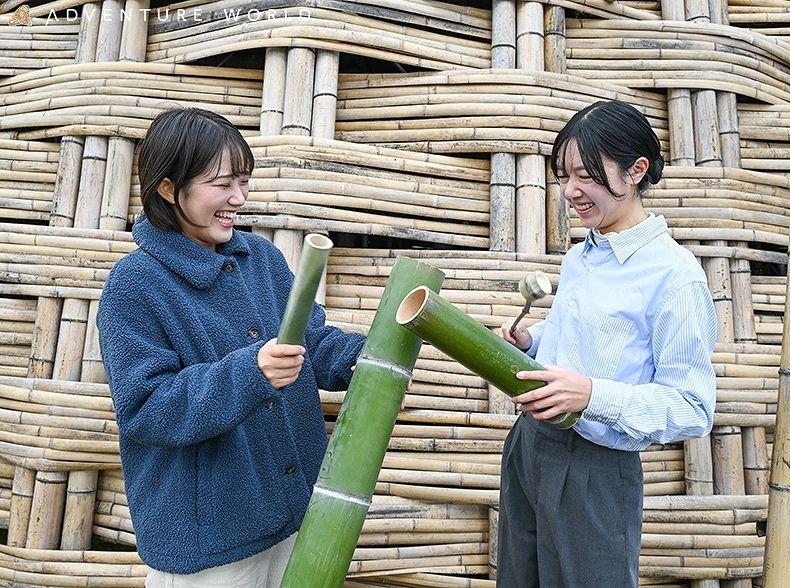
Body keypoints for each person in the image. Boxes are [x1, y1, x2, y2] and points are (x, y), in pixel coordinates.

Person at [97, 108, 365, 587]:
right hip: (212, 545)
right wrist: (251, 371)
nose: (238, 198)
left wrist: (362, 357)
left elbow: (307, 342)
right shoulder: (135, 284)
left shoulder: (259, 258)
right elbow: (147, 409)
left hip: (294, 516)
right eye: (222, 184)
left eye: (244, 181)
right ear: (166, 187)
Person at [496, 100, 717, 587]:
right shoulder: (581, 256)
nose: (571, 191)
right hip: (531, 446)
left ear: (636, 171)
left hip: (596, 471)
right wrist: (534, 341)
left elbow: (693, 407)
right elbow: (580, 338)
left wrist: (593, 395)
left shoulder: (675, 277)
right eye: (563, 175)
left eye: (587, 175)